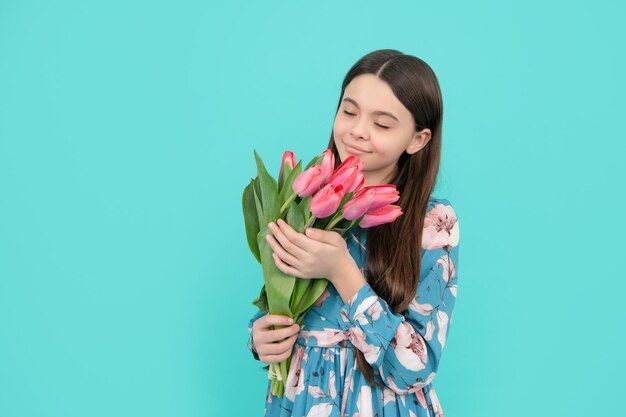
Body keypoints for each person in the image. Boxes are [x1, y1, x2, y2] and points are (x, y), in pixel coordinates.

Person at [247, 49, 460, 417]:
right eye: (348, 111)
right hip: (301, 404)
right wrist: (261, 336)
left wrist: (341, 271)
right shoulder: (305, 200)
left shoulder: (432, 222)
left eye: (382, 124)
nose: (357, 130)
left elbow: (416, 368)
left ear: (418, 139)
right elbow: (279, 301)